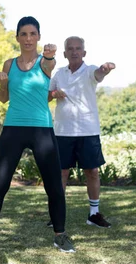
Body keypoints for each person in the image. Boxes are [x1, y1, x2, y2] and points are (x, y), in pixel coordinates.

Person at [0, 16, 75, 253]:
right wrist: (3, 83)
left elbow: (50, 63)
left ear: (38, 37)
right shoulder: (8, 64)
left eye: (32, 34)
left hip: (41, 129)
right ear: (17, 38)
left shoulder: (44, 63)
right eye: (23, 34)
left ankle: (60, 235)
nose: (28, 38)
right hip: (13, 127)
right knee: (0, 183)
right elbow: (4, 98)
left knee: (54, 184)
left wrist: (50, 54)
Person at [48, 36, 116, 228]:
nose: (75, 51)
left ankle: (94, 214)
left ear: (84, 53)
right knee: (61, 173)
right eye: (71, 49)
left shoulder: (89, 71)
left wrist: (105, 69)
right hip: (63, 132)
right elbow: (46, 96)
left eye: (78, 49)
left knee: (92, 172)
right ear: (65, 53)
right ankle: (57, 214)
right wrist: (53, 94)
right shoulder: (59, 74)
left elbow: (99, 74)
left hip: (88, 130)